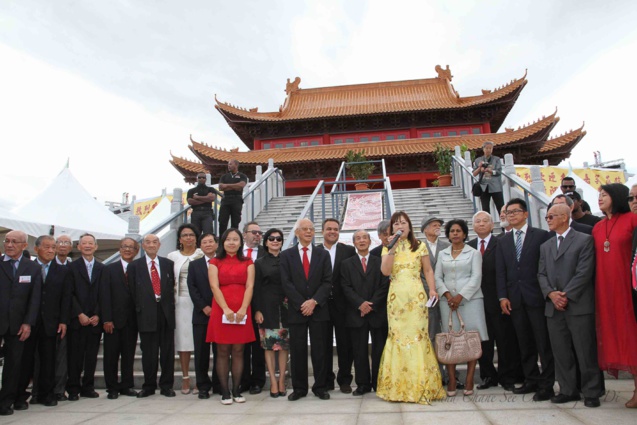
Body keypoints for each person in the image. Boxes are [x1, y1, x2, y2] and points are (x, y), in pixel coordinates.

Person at [538, 204, 603, 408]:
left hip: (578, 305)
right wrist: (550, 294)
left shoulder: (584, 240)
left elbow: (584, 272)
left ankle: (591, 391)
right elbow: (541, 273)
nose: (547, 219)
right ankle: (568, 389)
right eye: (547, 216)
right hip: (553, 307)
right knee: (560, 351)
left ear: (565, 218)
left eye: (551, 216)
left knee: (585, 351)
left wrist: (565, 295)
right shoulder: (546, 245)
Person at [376, 211, 444, 404]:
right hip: (396, 297)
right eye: (396, 224)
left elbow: (428, 270)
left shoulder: (420, 246)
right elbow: (385, 271)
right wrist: (391, 248)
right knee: (397, 336)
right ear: (391, 228)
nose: (400, 226)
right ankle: (397, 386)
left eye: (403, 223)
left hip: (416, 296)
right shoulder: (387, 246)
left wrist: (432, 289)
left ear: (409, 225)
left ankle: (421, 384)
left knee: (418, 336)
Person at [496, 199, 554, 401]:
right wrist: (502, 296)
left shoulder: (540, 236)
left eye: (515, 211)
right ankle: (531, 380)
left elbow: (546, 266)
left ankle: (547, 385)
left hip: (537, 297)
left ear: (526, 214)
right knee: (524, 343)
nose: (511, 215)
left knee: (543, 343)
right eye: (508, 212)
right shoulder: (502, 240)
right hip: (515, 299)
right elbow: (501, 272)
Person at [592, 183, 637, 408]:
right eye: (599, 195)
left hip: (628, 288)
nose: (600, 198)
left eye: (605, 195)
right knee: (617, 333)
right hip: (604, 289)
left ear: (617, 197)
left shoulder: (632, 220)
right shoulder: (598, 227)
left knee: (633, 336)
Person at [468, 212, 523, 392]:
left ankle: (507, 376)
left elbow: (507, 271)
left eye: (485, 221)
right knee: (483, 341)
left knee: (503, 339)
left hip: (498, 299)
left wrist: (504, 296)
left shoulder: (502, 243)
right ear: (473, 226)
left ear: (492, 225)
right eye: (478, 221)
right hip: (476, 301)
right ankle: (488, 376)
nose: (481, 224)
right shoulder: (468, 246)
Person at [15, 235, 70, 409]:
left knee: (48, 359)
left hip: (50, 321)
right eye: (47, 247)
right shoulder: (27, 268)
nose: (51, 250)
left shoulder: (62, 271)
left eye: (53, 247)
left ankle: (47, 393)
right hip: (28, 322)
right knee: (26, 360)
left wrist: (63, 321)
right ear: (36, 249)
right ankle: (21, 395)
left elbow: (65, 298)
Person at [280, 218, 332, 401]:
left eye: (311, 229)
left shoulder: (322, 254)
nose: (309, 232)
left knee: (320, 350)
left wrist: (314, 302)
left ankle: (320, 387)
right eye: (304, 229)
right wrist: (302, 303)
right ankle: (300, 388)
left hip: (318, 310)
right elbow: (286, 283)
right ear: (297, 233)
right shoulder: (286, 255)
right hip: (296, 310)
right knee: (298, 350)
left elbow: (327, 282)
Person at [435, 219, 487, 396]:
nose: (455, 234)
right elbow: (437, 278)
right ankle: (451, 379)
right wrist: (449, 296)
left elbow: (476, 277)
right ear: (448, 235)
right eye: (452, 231)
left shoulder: (473, 253)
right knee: (450, 340)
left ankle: (470, 379)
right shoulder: (442, 254)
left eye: (458, 231)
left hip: (470, 301)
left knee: (471, 339)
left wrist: (460, 296)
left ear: (465, 234)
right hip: (447, 303)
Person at [206, 228, 256, 405]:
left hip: (243, 308)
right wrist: (226, 308)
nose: (232, 242)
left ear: (241, 242)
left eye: (235, 239)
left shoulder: (248, 262)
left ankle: (236, 389)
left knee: (238, 351)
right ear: (223, 242)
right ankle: (225, 391)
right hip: (221, 309)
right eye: (228, 239)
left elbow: (250, 286)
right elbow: (214, 287)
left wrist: (243, 308)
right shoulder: (215, 261)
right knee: (222, 351)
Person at [340, 230, 389, 395]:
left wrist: (371, 305)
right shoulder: (346, 264)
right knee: (359, 351)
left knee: (379, 350)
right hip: (356, 314)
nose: (361, 241)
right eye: (358, 238)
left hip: (377, 313)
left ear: (370, 241)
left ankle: (378, 382)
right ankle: (362, 384)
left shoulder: (380, 261)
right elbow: (345, 287)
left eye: (364, 238)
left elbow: (384, 286)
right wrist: (360, 304)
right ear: (353, 243)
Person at [128, 234, 177, 398]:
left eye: (154, 242)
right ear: (142, 246)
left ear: (159, 245)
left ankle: (166, 386)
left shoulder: (168, 264)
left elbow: (171, 288)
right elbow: (132, 291)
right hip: (146, 314)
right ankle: (149, 386)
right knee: (149, 353)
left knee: (167, 353)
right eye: (147, 242)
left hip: (166, 314)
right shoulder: (135, 266)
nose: (151, 245)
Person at [0, 231, 42, 416]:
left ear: (24, 246)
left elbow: (35, 299)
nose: (9, 245)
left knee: (13, 365)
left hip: (18, 325)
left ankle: (6, 401)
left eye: (14, 242)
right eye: (7, 241)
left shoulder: (32, 268)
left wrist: (28, 323)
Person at [316, 218, 356, 393]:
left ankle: (345, 379)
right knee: (323, 344)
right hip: (321, 305)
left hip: (343, 305)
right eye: (329, 229)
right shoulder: (315, 251)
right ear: (322, 231)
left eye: (336, 229)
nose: (332, 231)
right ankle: (326, 380)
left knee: (345, 344)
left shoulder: (348, 251)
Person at [100, 237, 139, 399]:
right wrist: (107, 319)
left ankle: (126, 385)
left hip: (133, 320)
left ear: (136, 251)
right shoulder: (109, 269)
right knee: (111, 355)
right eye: (124, 247)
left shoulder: (139, 268)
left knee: (128, 355)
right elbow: (104, 295)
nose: (127, 249)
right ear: (119, 249)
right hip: (113, 321)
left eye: (131, 247)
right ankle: (112, 387)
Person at [65, 233, 104, 401]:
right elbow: (69, 294)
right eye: (84, 243)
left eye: (91, 243)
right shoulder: (71, 268)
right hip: (77, 319)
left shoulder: (103, 268)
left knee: (91, 356)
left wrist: (97, 314)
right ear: (79, 247)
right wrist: (79, 313)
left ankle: (88, 387)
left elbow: (104, 294)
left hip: (95, 320)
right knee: (75, 356)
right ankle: (73, 388)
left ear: (96, 247)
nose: (88, 246)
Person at [167, 224, 203, 395]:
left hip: (200, 302)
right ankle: (186, 377)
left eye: (191, 234)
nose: (188, 238)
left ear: (196, 237)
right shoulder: (172, 256)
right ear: (180, 239)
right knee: (183, 341)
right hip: (180, 301)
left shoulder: (202, 254)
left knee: (200, 342)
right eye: (185, 235)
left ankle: (200, 377)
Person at [253, 228, 290, 398]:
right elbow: (256, 288)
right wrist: (257, 309)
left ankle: (282, 379)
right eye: (271, 238)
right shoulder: (259, 263)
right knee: (269, 346)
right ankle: (273, 382)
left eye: (278, 239)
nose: (275, 241)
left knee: (283, 346)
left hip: (286, 309)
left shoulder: (288, 259)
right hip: (267, 308)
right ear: (266, 241)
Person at [187, 233, 221, 399]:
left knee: (220, 351)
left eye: (211, 242)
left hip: (221, 314)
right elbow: (192, 288)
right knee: (201, 352)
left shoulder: (223, 262)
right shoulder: (194, 265)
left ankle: (219, 383)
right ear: (200, 245)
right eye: (204, 242)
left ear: (216, 244)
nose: (208, 244)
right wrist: (204, 307)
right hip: (201, 315)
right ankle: (203, 386)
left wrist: (219, 307)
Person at [420, 216, 451, 385]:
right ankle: (436, 374)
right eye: (433, 225)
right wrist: (430, 290)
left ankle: (452, 375)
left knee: (449, 335)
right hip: (428, 297)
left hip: (447, 296)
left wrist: (444, 290)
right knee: (432, 335)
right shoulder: (418, 247)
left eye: (439, 225)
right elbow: (420, 273)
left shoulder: (447, 246)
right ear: (425, 229)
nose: (437, 227)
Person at [240, 221, 266, 395]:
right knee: (240, 346)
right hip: (238, 305)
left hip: (260, 307)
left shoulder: (266, 253)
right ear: (244, 234)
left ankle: (258, 381)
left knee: (258, 346)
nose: (257, 235)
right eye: (253, 232)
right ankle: (242, 380)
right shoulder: (234, 253)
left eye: (259, 233)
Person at [53, 235, 72, 401]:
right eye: (60, 242)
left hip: (68, 318)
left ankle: (59, 389)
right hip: (45, 318)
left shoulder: (72, 267)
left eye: (67, 243)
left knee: (62, 357)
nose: (63, 245)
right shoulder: (44, 266)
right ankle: (39, 390)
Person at [218, 159, 248, 236]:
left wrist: (227, 185)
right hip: (226, 200)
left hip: (237, 200)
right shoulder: (224, 176)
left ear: (236, 165)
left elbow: (241, 186)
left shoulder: (242, 176)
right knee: (222, 221)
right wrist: (235, 186)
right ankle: (222, 239)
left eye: (230, 164)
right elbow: (221, 188)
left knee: (235, 221)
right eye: (228, 164)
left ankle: (234, 237)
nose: (229, 166)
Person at [472, 141, 504, 214]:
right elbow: (474, 173)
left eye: (490, 148)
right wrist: (480, 168)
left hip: (495, 186)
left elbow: (499, 171)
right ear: (483, 149)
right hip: (484, 186)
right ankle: (488, 223)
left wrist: (491, 171)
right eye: (487, 148)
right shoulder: (478, 160)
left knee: (500, 206)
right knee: (485, 208)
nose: (488, 150)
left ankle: (504, 224)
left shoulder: (496, 159)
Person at [187, 172, 221, 236]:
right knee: (195, 234)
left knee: (208, 233)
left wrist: (197, 198)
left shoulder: (210, 189)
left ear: (206, 179)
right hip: (196, 213)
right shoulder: (191, 191)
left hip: (207, 213)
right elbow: (190, 201)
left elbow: (212, 198)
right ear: (197, 179)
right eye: (199, 177)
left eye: (203, 177)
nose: (201, 179)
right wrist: (206, 199)